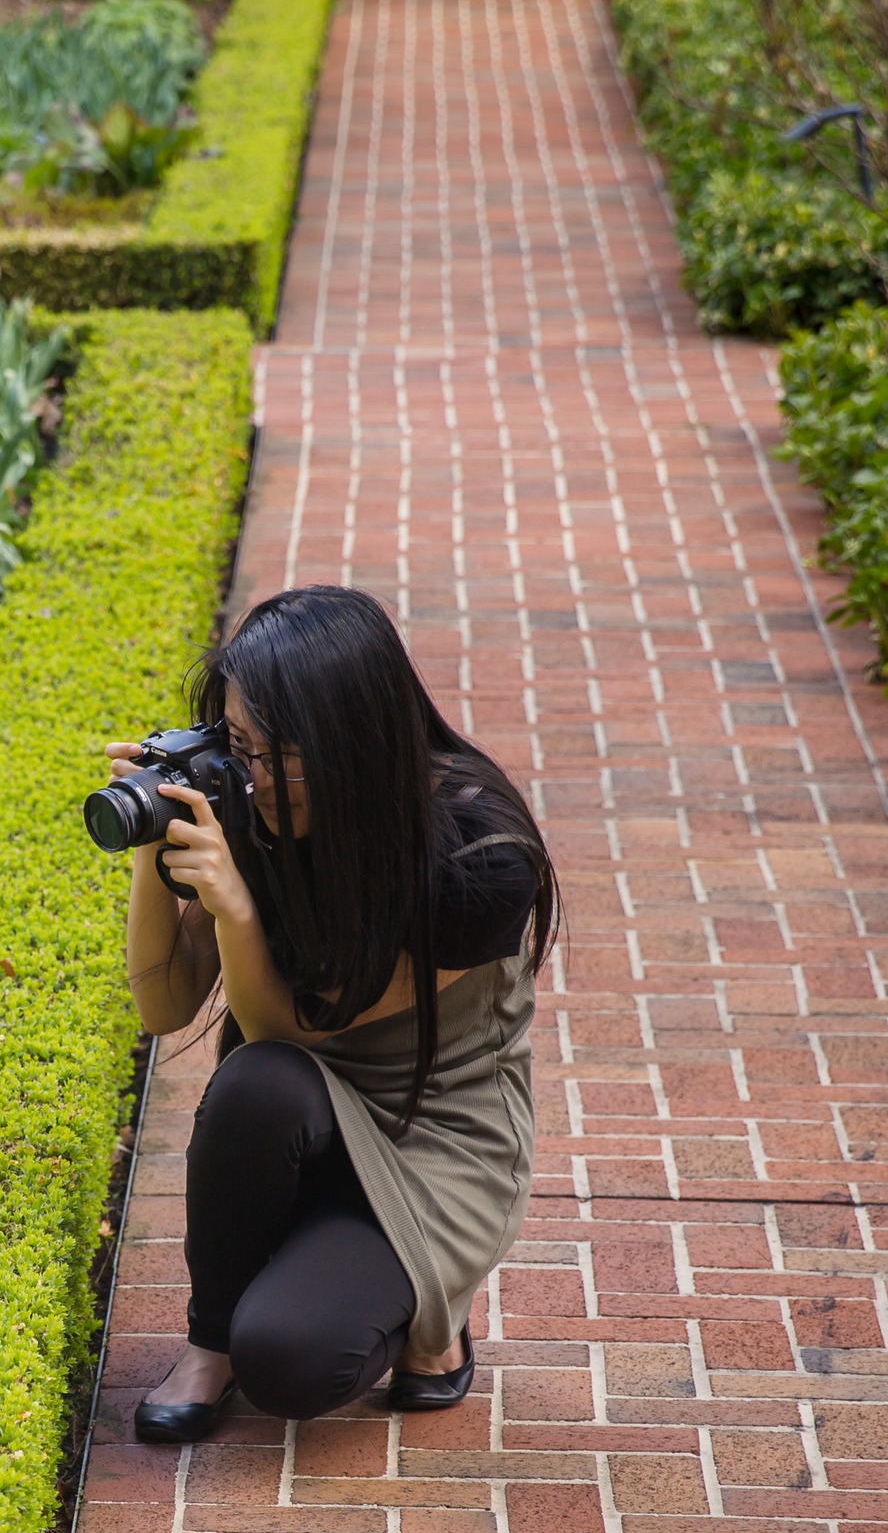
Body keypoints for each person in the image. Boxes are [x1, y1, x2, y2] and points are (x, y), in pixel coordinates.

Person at [109, 584, 557, 1446]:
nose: (253, 775)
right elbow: (165, 1006)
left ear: (353, 745)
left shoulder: (477, 856)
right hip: (290, 1115)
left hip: (434, 1137)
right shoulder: (252, 804)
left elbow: (299, 1029)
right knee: (257, 1087)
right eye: (236, 745)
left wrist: (237, 909)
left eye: (278, 753)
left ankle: (433, 1307)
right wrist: (155, 830)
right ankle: (209, 1343)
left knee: (291, 1364)